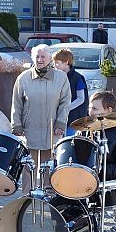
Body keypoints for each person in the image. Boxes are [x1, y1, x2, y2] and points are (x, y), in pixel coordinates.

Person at [11, 44, 71, 194]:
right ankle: (26, 196)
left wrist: (61, 123)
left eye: (43, 56)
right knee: (28, 165)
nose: (40, 59)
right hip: (29, 129)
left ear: (50, 58)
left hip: (52, 129)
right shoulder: (23, 78)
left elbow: (65, 102)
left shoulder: (61, 77)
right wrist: (16, 126)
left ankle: (49, 195)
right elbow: (16, 104)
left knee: (49, 165)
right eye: (37, 56)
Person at [87, 91, 116, 181]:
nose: (91, 112)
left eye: (95, 109)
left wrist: (96, 169)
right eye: (90, 108)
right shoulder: (83, 132)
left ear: (109, 110)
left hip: (105, 188)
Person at [52, 48, 89, 136]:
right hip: (60, 118)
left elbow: (81, 98)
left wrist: (66, 108)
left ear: (66, 62)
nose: (55, 65)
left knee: (70, 142)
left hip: (74, 118)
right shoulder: (57, 77)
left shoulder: (77, 78)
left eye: (57, 63)